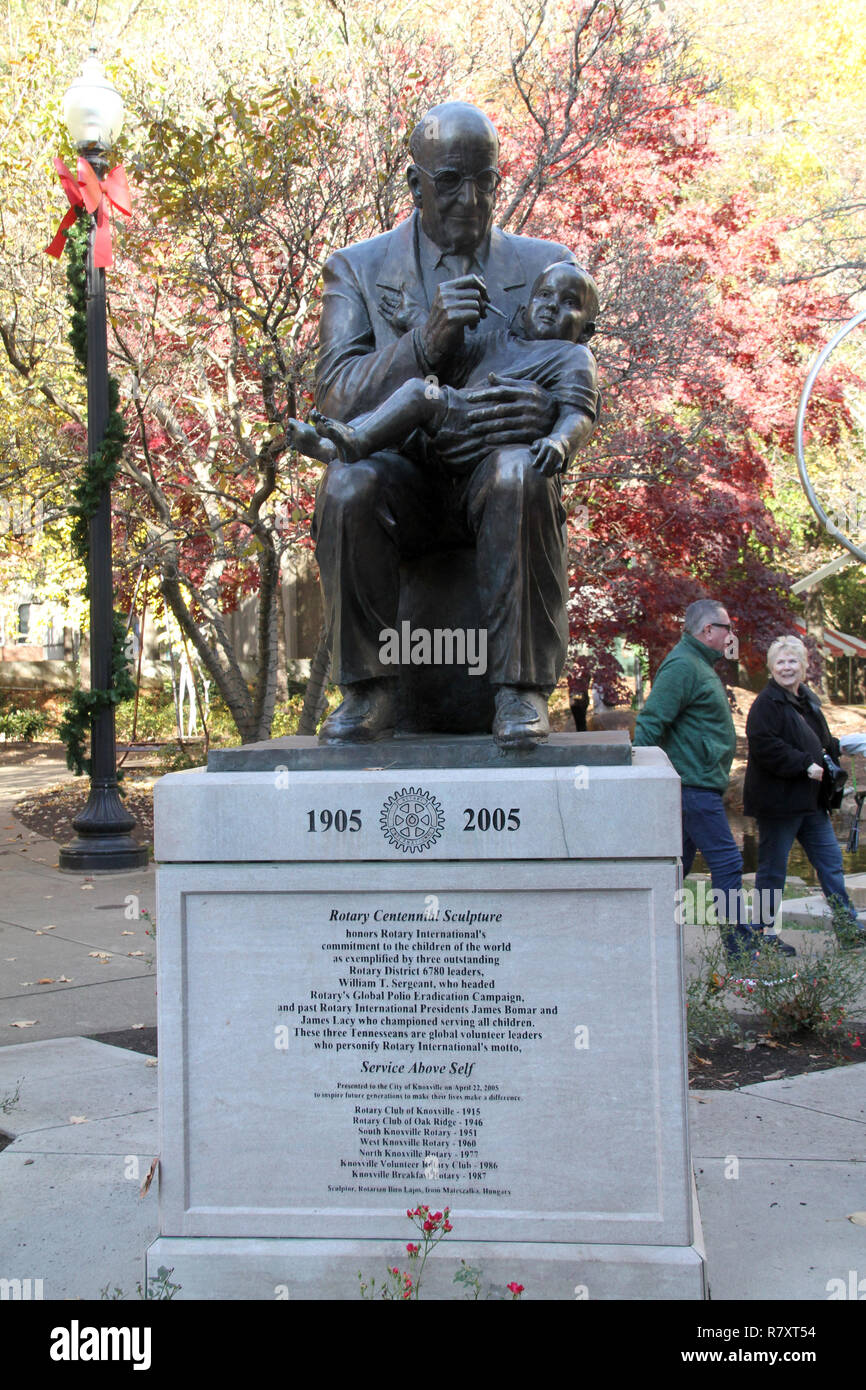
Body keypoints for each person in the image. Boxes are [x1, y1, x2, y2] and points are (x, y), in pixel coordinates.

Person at [310, 100, 598, 748]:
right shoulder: (357, 268)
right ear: (416, 184)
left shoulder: (547, 265)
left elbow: (575, 378)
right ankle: (369, 688)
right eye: (449, 182)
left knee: (519, 471)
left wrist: (545, 415)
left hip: (494, 472)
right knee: (347, 483)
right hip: (404, 473)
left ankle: (520, 690)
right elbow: (334, 398)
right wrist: (423, 341)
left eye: (485, 181)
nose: (470, 199)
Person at [287, 261, 599, 475]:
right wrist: (419, 321)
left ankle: (355, 442)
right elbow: (459, 357)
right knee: (403, 417)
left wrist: (559, 441)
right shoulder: (501, 340)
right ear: (525, 308)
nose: (552, 305)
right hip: (453, 422)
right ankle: (334, 446)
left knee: (418, 393)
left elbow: (578, 413)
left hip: (480, 431)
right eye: (544, 295)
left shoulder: (573, 356)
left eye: (570, 302)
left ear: (586, 331)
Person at [633, 599, 760, 962]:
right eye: (727, 628)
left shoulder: (697, 664)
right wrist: (643, 783)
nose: (731, 636)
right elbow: (650, 723)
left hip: (696, 785)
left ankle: (639, 940)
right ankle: (740, 949)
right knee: (728, 862)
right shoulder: (683, 666)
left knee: (677, 868)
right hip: (691, 787)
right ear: (708, 630)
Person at [743, 634, 866, 949]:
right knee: (773, 871)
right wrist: (802, 765)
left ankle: (848, 929)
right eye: (780, 662)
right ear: (772, 667)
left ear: (804, 665)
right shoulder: (766, 704)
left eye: (792, 661)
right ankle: (764, 935)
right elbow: (764, 745)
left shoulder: (807, 701)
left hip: (811, 802)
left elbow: (820, 742)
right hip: (778, 803)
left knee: (831, 863)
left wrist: (848, 744)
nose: (787, 667)